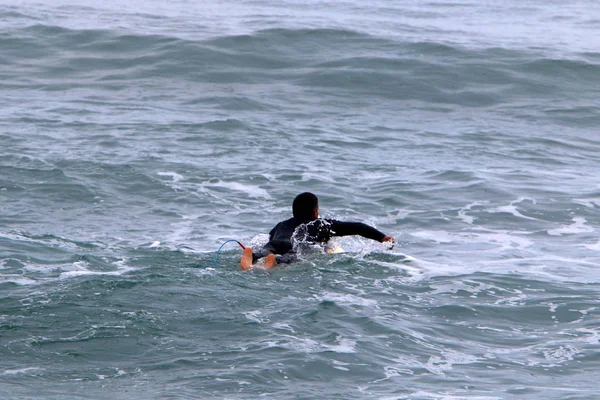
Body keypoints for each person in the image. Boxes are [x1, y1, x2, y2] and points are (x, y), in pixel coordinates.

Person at [240, 192, 395, 270]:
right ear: (315, 212)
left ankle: (252, 256)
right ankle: (274, 262)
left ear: (294, 212)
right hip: (293, 247)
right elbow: (358, 227)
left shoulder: (281, 224)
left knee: (266, 251)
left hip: (275, 242)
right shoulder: (321, 224)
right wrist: (382, 238)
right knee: (289, 258)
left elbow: (269, 237)